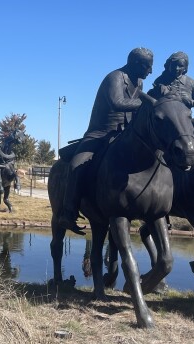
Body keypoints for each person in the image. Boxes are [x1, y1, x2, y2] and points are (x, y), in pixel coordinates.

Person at [60, 47, 154, 235]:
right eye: (147, 66)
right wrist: (148, 103)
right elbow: (117, 102)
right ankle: (68, 212)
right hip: (101, 133)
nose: (150, 71)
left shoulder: (139, 82)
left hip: (124, 134)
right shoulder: (115, 77)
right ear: (135, 63)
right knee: (77, 165)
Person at [149, 51, 194, 119]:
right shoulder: (160, 80)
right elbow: (162, 99)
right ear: (169, 64)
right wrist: (183, 100)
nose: (176, 68)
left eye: (180, 66)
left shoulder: (190, 82)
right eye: (174, 65)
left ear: (185, 68)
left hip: (185, 120)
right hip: (166, 120)